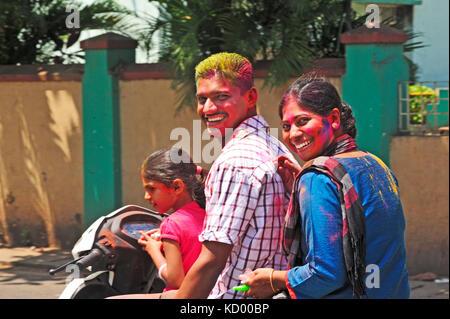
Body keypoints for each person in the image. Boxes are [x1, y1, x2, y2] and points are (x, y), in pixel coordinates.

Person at [243, 76, 410, 299]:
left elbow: (324, 273)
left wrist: (272, 279)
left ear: (333, 118)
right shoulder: (376, 164)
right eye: (286, 126)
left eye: (302, 121)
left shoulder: (319, 178)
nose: (293, 134)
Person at [174, 52, 299, 299]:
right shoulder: (274, 145)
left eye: (221, 97)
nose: (208, 108)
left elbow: (212, 261)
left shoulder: (235, 162)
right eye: (202, 99)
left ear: (250, 97)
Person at [138, 148, 207, 292]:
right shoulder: (206, 215)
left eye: (151, 189)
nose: (146, 196)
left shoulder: (171, 224)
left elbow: (176, 280)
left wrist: (153, 250)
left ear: (177, 187)